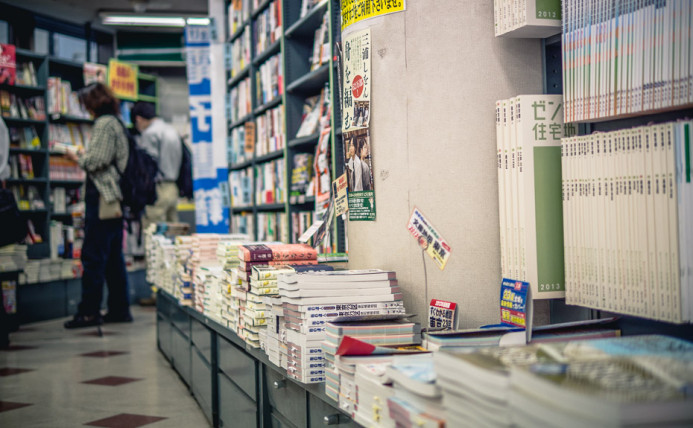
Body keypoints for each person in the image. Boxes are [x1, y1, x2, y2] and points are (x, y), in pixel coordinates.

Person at [64, 83, 132, 328]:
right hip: (113, 199)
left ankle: (89, 311)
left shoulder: (104, 124)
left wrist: (77, 157)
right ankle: (119, 308)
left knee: (93, 257)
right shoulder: (117, 122)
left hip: (103, 198)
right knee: (113, 257)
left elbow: (96, 161)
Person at [130, 102, 182, 231]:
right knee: (173, 229)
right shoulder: (171, 130)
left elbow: (146, 165)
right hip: (173, 186)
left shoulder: (150, 134)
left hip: (157, 188)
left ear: (138, 119)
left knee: (153, 229)